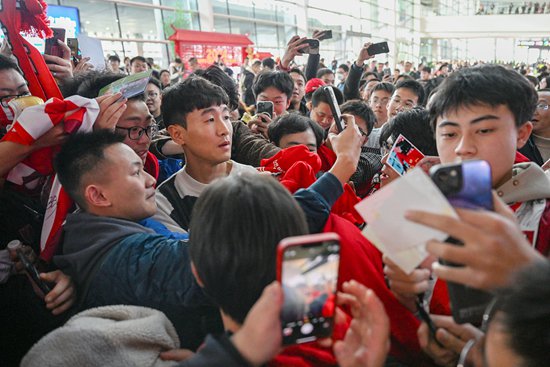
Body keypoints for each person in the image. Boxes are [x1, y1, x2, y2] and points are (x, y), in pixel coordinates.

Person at [52, 130, 221, 351]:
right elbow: (229, 261)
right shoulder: (132, 259)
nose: (151, 180)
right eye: (136, 173)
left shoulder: (93, 237)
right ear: (99, 196)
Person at [247, 71, 294, 137]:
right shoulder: (247, 124)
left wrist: (273, 136)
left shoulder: (295, 130)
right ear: (256, 100)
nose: (272, 109)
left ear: (288, 103)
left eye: (277, 102)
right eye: (264, 101)